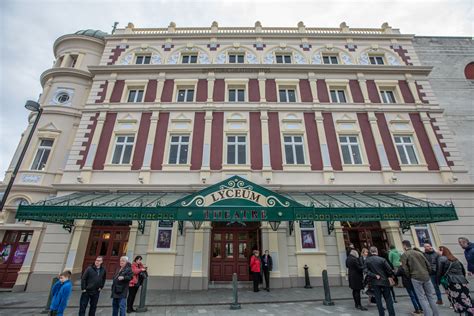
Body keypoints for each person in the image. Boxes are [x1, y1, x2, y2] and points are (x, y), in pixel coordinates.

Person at [401, 240, 439, 316]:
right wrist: (427, 272)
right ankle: (436, 314)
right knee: (430, 297)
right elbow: (428, 264)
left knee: (421, 298)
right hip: (426, 276)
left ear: (405, 246)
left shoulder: (405, 254)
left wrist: (409, 275)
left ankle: (427, 314)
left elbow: (405, 268)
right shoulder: (419, 253)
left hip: (415, 277)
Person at [437, 246, 474, 315]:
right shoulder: (455, 259)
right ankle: (470, 312)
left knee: (456, 300)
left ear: (442, 251)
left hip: (452, 283)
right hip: (462, 281)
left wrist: (438, 281)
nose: (437, 252)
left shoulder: (441, 259)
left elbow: (439, 272)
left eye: (439, 250)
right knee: (466, 299)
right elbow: (463, 270)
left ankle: (462, 313)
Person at [364, 246, 396, 316]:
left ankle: (381, 314)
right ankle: (392, 314)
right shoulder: (382, 259)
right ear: (377, 251)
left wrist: (374, 275)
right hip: (385, 281)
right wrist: (389, 276)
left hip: (375, 283)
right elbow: (389, 270)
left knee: (378, 300)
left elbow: (365, 271)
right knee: (388, 299)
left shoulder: (367, 260)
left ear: (370, 252)